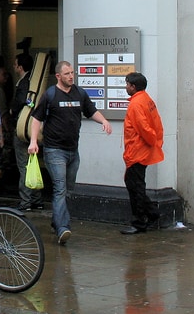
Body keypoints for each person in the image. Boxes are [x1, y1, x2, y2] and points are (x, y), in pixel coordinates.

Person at [29, 60, 112, 245]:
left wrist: (104, 121)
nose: (71, 76)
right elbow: (36, 119)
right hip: (54, 150)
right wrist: (34, 141)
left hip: (73, 150)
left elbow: (91, 111)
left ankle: (56, 220)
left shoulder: (79, 93)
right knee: (60, 188)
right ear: (58, 76)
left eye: (72, 73)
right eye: (67, 74)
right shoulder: (50, 95)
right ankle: (63, 228)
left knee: (68, 189)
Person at [120, 72, 164, 235]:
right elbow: (156, 123)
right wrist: (155, 142)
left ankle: (140, 221)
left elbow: (144, 128)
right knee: (135, 184)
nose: (126, 87)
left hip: (137, 151)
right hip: (142, 150)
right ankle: (152, 214)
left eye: (127, 84)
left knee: (135, 186)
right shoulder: (146, 100)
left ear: (133, 86)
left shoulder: (136, 104)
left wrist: (151, 142)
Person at [10, 52, 43, 212]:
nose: (14, 67)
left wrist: (12, 110)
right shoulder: (35, 81)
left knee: (23, 165)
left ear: (20, 67)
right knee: (33, 164)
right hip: (33, 128)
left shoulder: (24, 83)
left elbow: (23, 100)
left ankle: (25, 201)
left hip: (22, 127)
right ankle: (37, 199)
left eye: (15, 64)